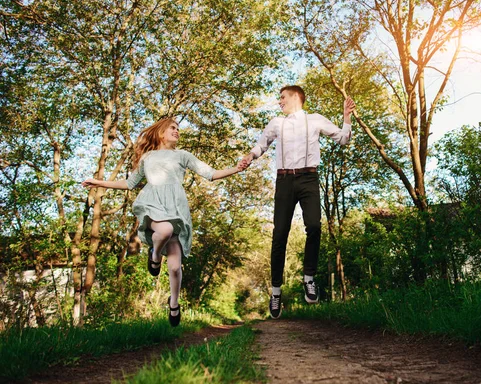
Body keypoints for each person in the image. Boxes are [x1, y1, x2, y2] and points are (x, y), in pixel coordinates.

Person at [82, 118, 242, 327]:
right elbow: (129, 183)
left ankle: (173, 303)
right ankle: (155, 255)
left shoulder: (183, 156)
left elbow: (211, 174)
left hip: (175, 209)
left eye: (178, 129)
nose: (177, 131)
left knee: (175, 268)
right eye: (173, 128)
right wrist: (98, 182)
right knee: (164, 229)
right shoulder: (148, 157)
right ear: (160, 132)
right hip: (152, 205)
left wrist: (237, 168)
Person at [238, 85, 355, 319]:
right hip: (284, 180)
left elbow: (342, 139)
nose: (279, 101)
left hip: (309, 178)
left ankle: (309, 279)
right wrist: (250, 156)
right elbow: (262, 145)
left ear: (295, 97)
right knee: (279, 233)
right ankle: (275, 292)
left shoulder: (315, 120)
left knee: (314, 226)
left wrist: (346, 118)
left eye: (282, 97)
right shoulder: (276, 123)